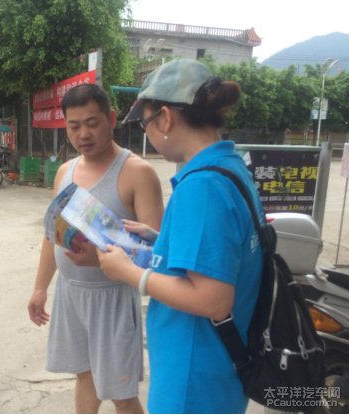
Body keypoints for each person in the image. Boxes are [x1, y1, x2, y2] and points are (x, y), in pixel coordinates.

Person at [97, 59, 264, 414]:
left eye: (146, 124)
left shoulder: (201, 187)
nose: (149, 135)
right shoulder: (230, 168)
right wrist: (162, 239)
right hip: (221, 369)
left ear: (166, 118)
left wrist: (130, 273)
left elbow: (213, 299)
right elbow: (223, 255)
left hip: (193, 379)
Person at [28, 84, 165, 415]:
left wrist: (100, 260)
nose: (83, 134)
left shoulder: (138, 173)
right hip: (70, 293)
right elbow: (53, 236)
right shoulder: (65, 172)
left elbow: (155, 254)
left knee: (120, 393)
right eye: (74, 126)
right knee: (84, 376)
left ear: (112, 119)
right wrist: (40, 288)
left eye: (92, 122)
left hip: (113, 298)